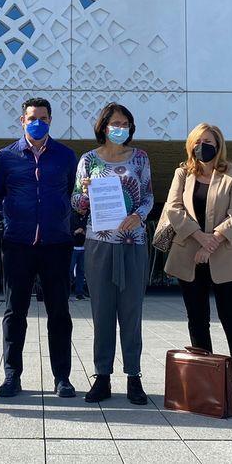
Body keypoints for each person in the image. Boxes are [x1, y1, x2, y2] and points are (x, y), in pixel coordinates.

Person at [161, 124, 232, 403]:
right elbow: (173, 210)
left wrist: (212, 242)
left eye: (208, 141)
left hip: (224, 255)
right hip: (189, 255)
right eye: (198, 141)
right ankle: (206, 379)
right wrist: (200, 238)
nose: (202, 145)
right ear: (191, 145)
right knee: (197, 320)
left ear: (219, 144)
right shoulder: (183, 173)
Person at [0, 97, 78, 399]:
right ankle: (12, 376)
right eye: (31, 117)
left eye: (42, 117)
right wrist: (16, 215)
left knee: (59, 312)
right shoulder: (5, 157)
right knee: (15, 312)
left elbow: (73, 192)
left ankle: (62, 377)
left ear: (50, 120)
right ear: (22, 120)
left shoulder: (66, 156)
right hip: (18, 244)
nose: (36, 122)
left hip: (57, 244)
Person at [72, 103, 154, 405]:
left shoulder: (141, 158)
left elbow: (147, 195)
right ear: (103, 126)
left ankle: (134, 377)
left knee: (131, 313)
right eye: (115, 123)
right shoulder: (89, 160)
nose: (120, 128)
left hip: (132, 243)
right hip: (99, 243)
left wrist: (140, 216)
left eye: (125, 123)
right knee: (102, 312)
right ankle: (102, 376)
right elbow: (77, 203)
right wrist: (85, 191)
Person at [71, 211, 87, 300]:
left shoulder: (87, 217)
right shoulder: (72, 216)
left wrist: (84, 232)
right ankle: (67, 291)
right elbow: (68, 230)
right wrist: (75, 231)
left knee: (81, 271)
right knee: (69, 270)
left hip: (83, 247)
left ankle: (79, 292)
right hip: (73, 248)